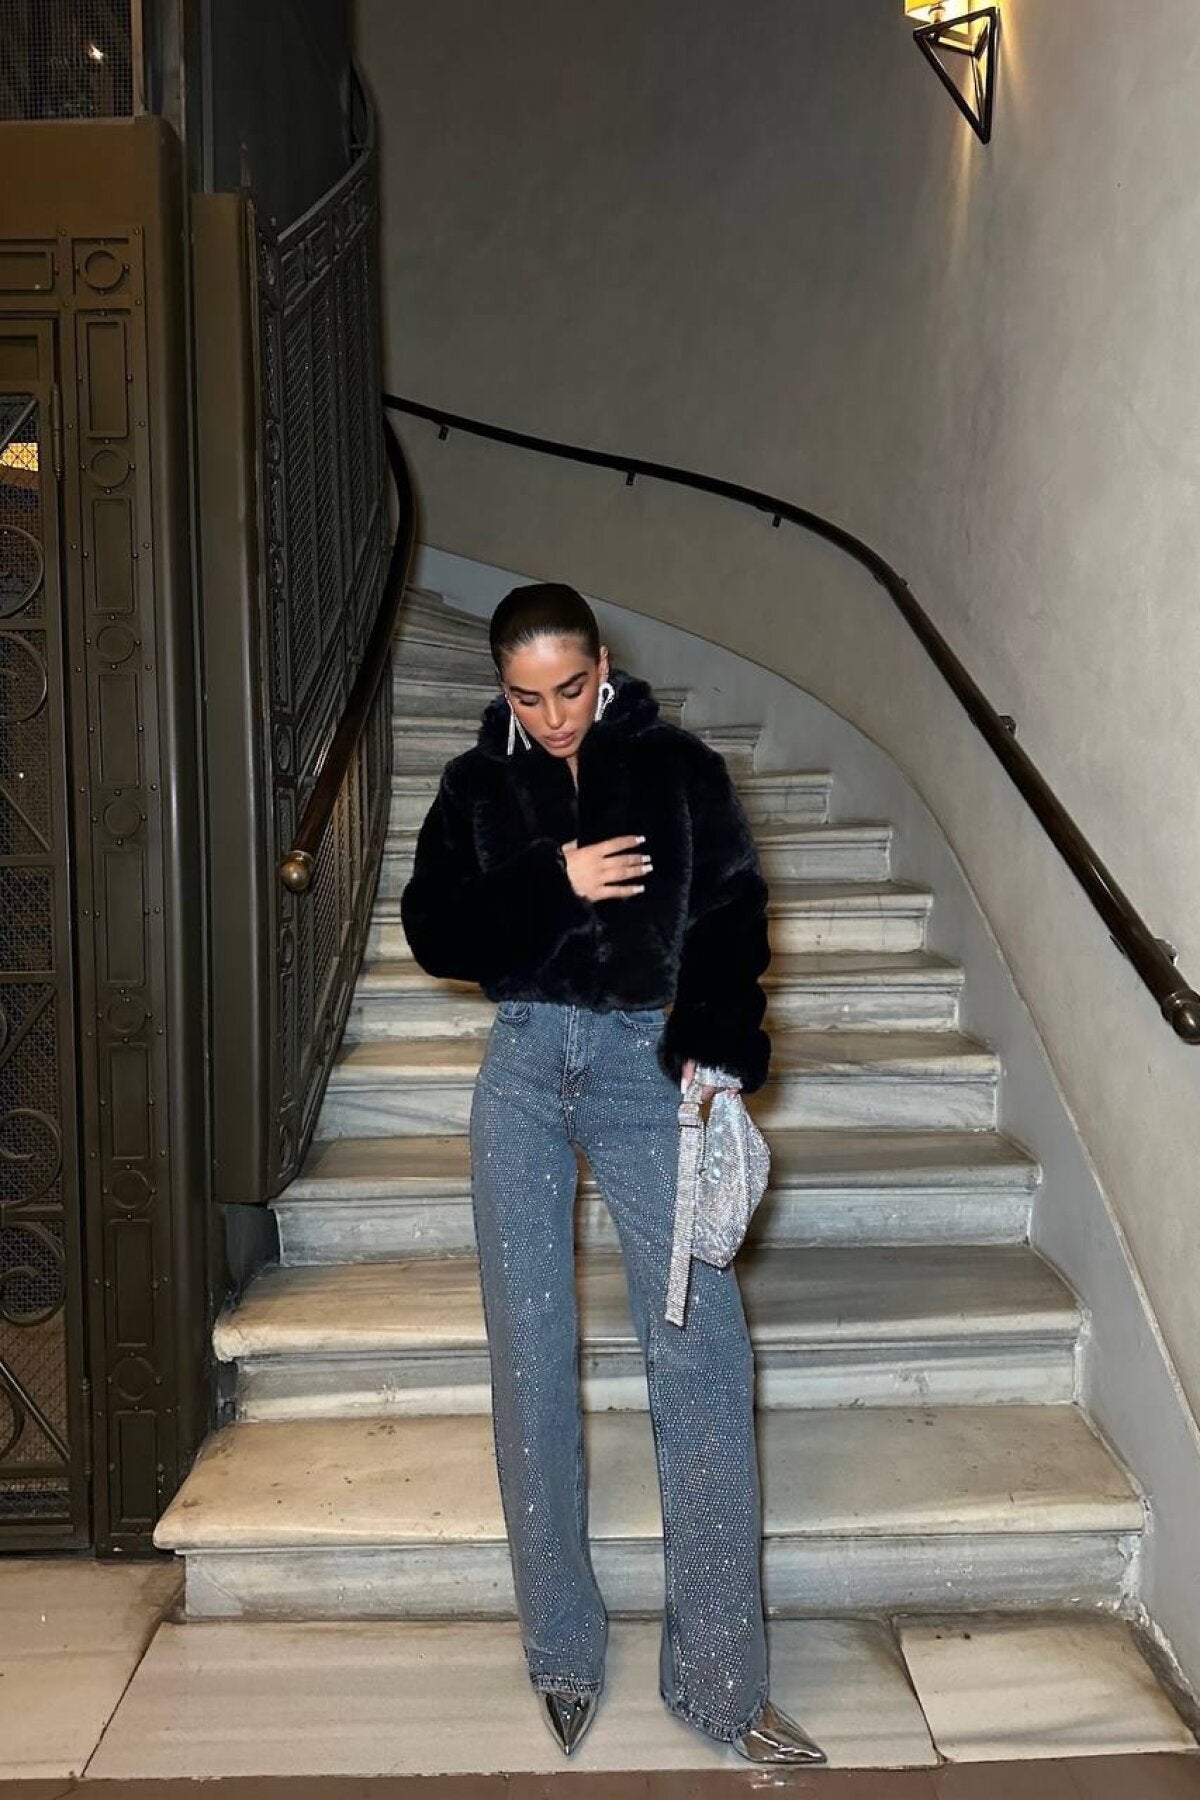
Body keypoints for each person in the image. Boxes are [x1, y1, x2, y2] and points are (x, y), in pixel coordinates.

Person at [400, 582, 825, 1766]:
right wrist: (555, 883)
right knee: (530, 1360)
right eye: (528, 696)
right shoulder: (475, 787)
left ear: (603, 664)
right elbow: (435, 930)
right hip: (524, 1072)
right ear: (502, 686)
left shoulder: (680, 773)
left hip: (648, 1072)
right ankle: (561, 1646)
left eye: (572, 688)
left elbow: (732, 917)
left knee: (702, 1356)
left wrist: (716, 1056)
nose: (554, 717)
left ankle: (722, 1685)